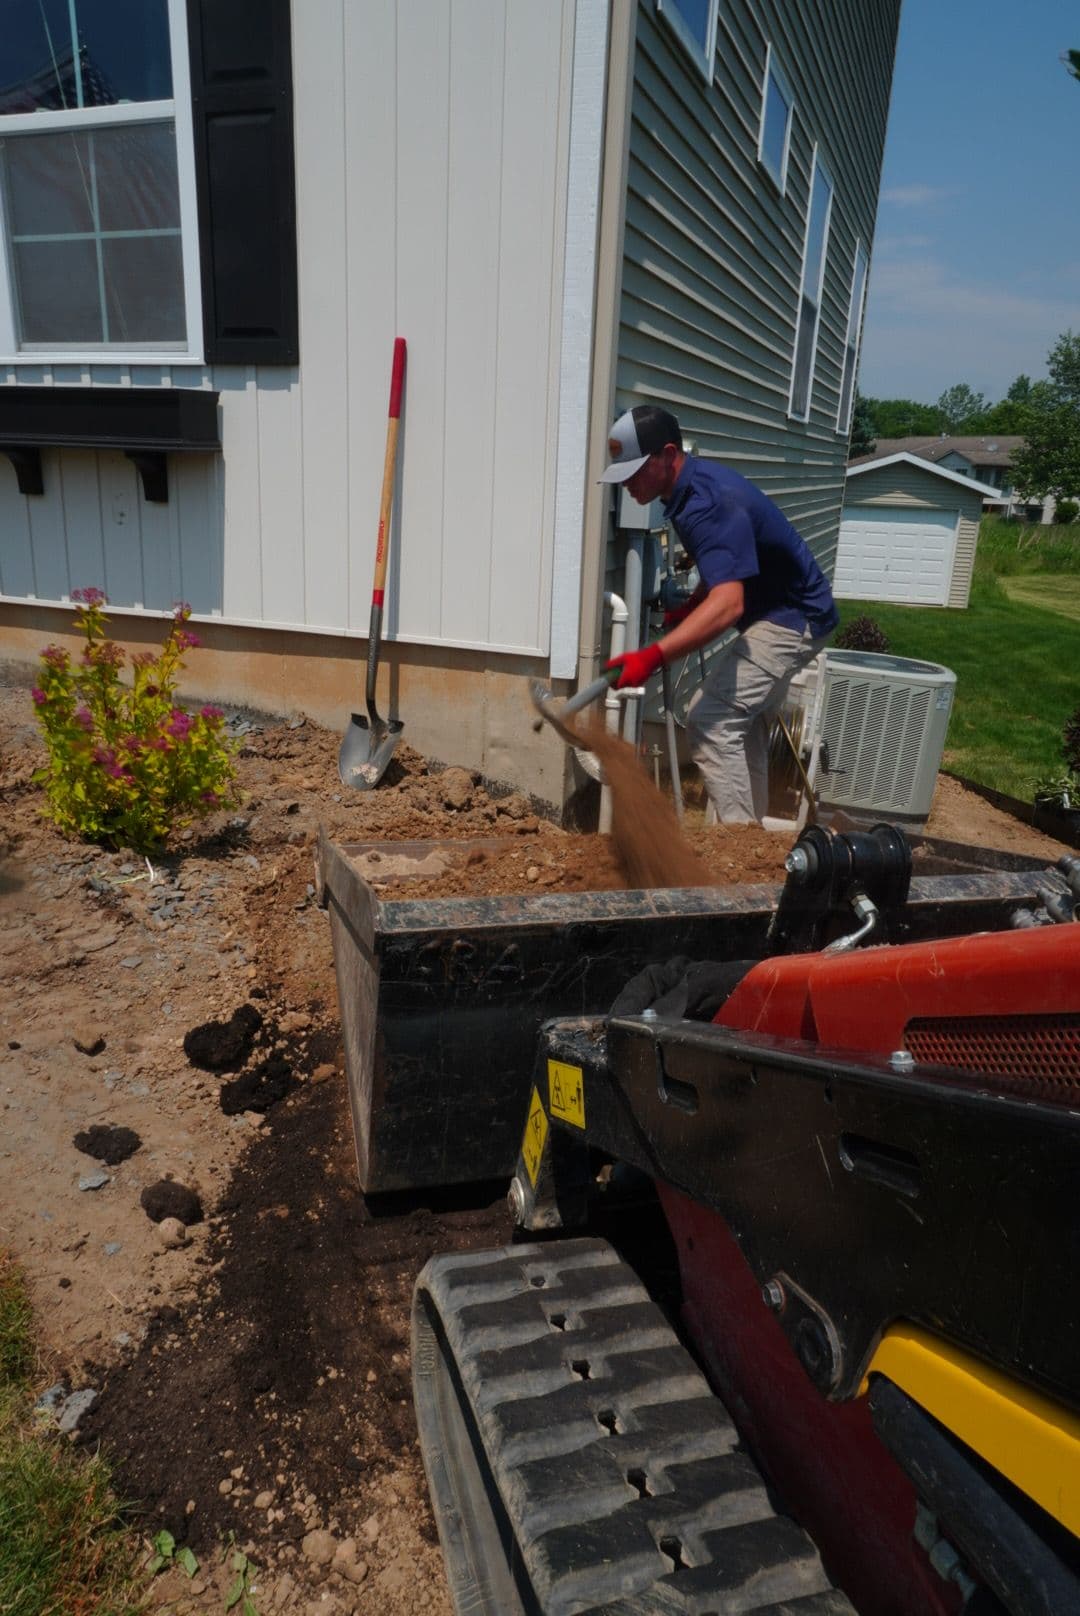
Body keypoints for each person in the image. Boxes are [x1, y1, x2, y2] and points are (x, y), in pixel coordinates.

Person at [599, 404, 838, 825]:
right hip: (786, 610)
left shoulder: (706, 503)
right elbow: (724, 565)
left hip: (793, 617)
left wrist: (652, 657)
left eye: (635, 471)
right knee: (742, 726)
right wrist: (693, 608)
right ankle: (753, 848)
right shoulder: (687, 492)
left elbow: (729, 605)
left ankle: (739, 851)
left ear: (668, 454)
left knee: (710, 719)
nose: (629, 484)